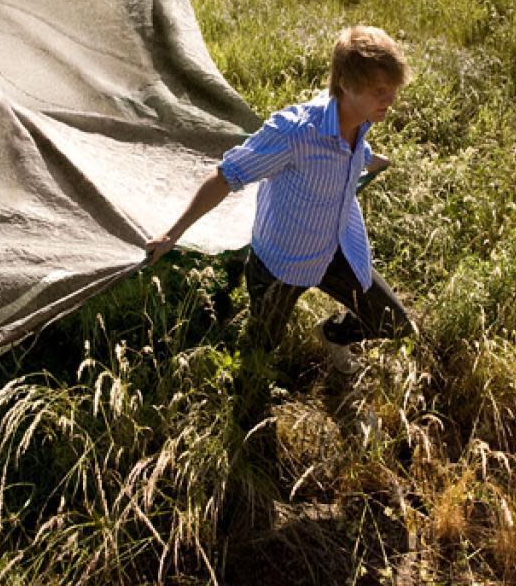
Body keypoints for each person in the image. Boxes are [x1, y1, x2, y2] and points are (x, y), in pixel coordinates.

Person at [145, 25, 415, 373]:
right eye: (381, 91)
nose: (390, 100)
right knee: (260, 354)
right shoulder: (295, 133)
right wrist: (172, 234)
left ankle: (332, 335)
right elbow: (226, 175)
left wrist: (369, 159)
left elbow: (348, 148)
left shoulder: (359, 117)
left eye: (392, 90)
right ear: (347, 83)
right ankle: (247, 407)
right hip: (279, 264)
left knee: (392, 322)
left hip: (334, 250)